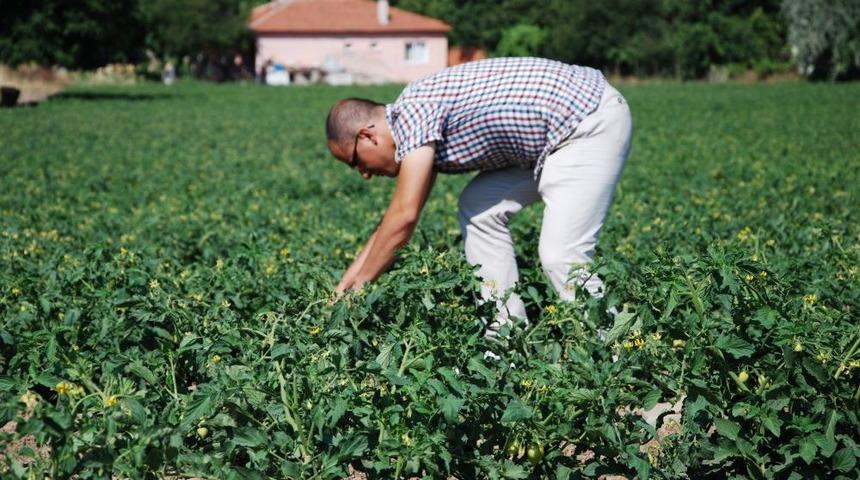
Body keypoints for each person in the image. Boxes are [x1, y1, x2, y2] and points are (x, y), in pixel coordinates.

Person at [325, 57, 632, 337]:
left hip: (585, 122)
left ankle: (616, 350)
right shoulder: (413, 117)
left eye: (355, 161)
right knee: (479, 205)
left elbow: (404, 217)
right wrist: (345, 287)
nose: (363, 173)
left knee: (562, 254)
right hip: (553, 137)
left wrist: (361, 288)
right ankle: (506, 333)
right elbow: (392, 221)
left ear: (368, 136)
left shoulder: (412, 116)